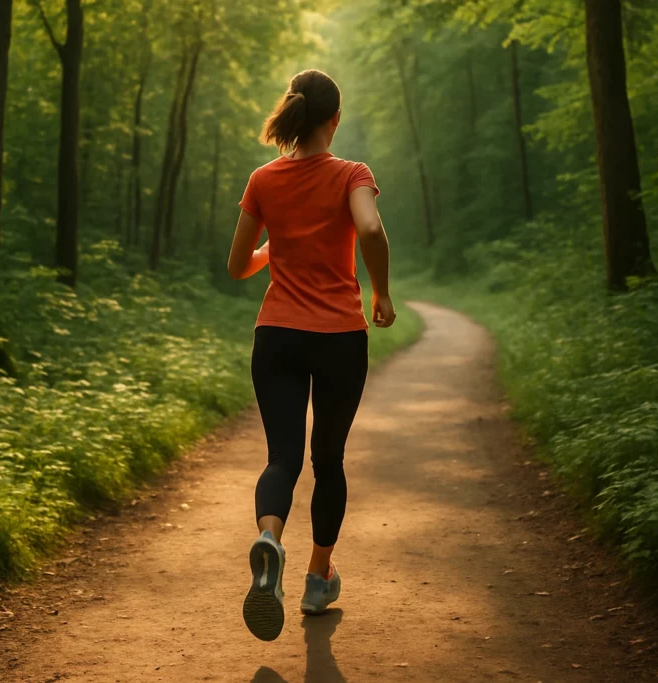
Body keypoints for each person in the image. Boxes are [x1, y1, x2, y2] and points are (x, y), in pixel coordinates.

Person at [227, 69, 395, 642]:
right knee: (328, 460)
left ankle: (269, 539)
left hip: (276, 334)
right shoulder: (353, 173)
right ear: (335, 120)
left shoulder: (263, 179)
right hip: (339, 338)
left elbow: (237, 264)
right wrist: (381, 291)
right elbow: (371, 229)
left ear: (294, 114)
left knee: (282, 459)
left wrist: (275, 249)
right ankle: (317, 579)